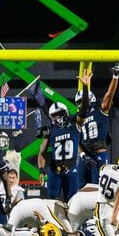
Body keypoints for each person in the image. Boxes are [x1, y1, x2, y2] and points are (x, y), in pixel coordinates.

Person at [37, 69, 90, 202]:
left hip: (72, 169)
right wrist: (41, 170)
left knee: (72, 202)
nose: (58, 118)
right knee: (52, 200)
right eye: (54, 116)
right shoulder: (50, 129)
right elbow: (42, 152)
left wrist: (85, 87)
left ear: (66, 113)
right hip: (55, 170)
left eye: (60, 114)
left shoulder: (75, 123)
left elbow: (84, 109)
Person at [77, 60, 119, 187]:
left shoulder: (100, 108)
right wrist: (83, 155)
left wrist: (115, 76)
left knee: (98, 188)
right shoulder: (78, 117)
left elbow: (109, 94)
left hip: (99, 152)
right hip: (84, 157)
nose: (81, 104)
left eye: (82, 101)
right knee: (80, 188)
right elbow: (77, 140)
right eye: (78, 102)